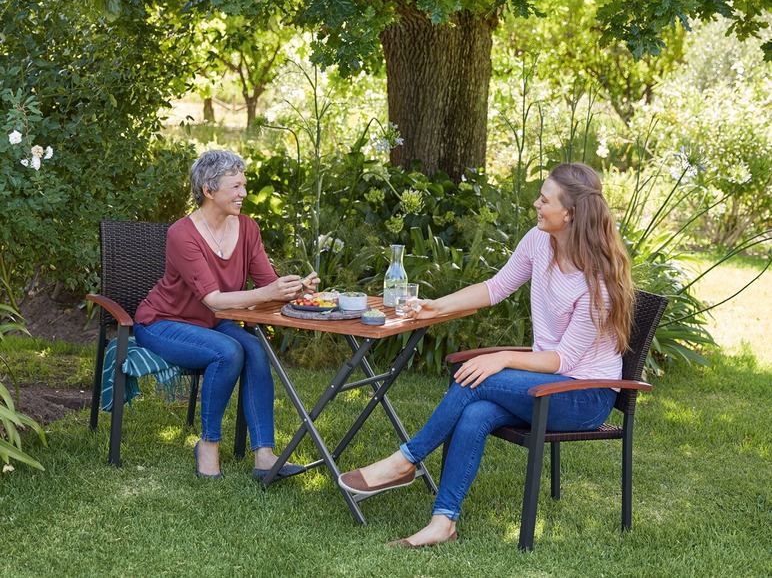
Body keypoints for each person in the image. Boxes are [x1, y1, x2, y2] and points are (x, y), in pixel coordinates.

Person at [338, 162, 635, 547]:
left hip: (585, 396)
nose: (536, 204)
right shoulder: (538, 241)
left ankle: (405, 461)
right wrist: (437, 306)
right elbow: (495, 288)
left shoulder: (596, 282)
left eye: (544, 200)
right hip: (549, 382)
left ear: (571, 213)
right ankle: (443, 523)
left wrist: (504, 358)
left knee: (481, 375)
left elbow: (563, 361)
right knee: (476, 410)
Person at [134, 149, 319, 479]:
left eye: (243, 185)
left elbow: (267, 283)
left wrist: (297, 289)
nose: (244, 193)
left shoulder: (247, 228)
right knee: (228, 350)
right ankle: (208, 443)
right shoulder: (182, 233)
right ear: (208, 190)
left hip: (212, 322)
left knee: (254, 349)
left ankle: (264, 455)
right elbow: (214, 300)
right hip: (163, 322)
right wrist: (268, 293)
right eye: (235, 187)